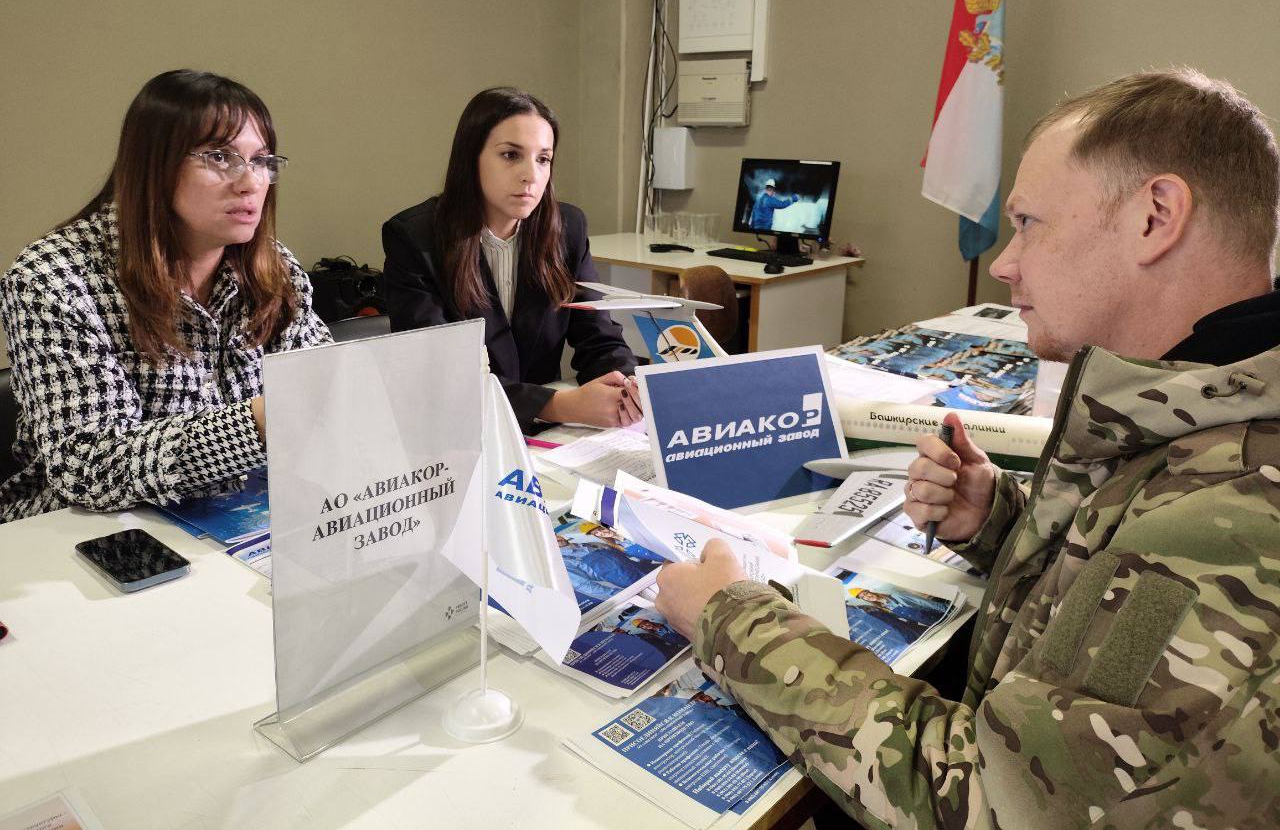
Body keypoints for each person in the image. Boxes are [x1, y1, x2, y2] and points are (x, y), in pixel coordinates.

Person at [655, 69, 1280, 829]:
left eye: (1030, 223)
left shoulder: (1227, 528)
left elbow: (989, 800)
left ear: (1155, 216)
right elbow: (1109, 590)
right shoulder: (1195, 413)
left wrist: (729, 617)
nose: (1005, 262)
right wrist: (999, 521)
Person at [0, 70, 331, 522]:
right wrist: (258, 421)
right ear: (154, 164)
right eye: (220, 157)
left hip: (245, 511)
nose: (250, 182)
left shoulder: (273, 265)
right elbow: (92, 466)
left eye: (261, 161)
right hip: (91, 529)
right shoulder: (55, 276)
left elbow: (327, 389)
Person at [382, 87, 641, 433]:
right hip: (457, 436)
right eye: (510, 155)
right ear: (471, 157)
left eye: (543, 159)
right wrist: (557, 405)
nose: (531, 175)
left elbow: (599, 338)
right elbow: (439, 375)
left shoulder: (566, 228)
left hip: (545, 439)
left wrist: (625, 387)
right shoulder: (415, 239)